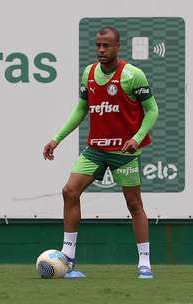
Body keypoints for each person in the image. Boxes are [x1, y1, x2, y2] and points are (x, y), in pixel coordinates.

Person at [43, 26, 159, 279]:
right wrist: (57, 138)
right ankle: (68, 259)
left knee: (134, 204)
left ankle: (144, 263)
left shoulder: (132, 75)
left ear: (117, 47)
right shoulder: (89, 73)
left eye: (106, 46)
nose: (101, 50)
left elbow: (152, 110)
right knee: (69, 191)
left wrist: (136, 138)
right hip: (96, 148)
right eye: (98, 45)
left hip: (124, 151)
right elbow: (81, 108)